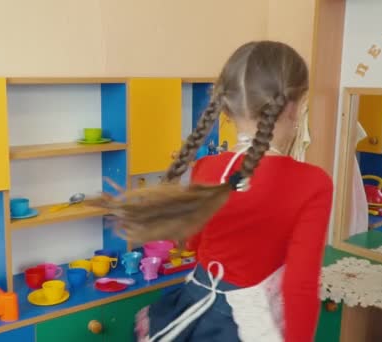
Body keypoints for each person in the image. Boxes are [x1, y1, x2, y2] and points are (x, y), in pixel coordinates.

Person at [90, 41, 334, 342]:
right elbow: (301, 285)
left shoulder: (206, 167)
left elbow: (193, 243)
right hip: (248, 327)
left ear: (227, 108)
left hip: (195, 309)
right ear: (294, 108)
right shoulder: (312, 182)